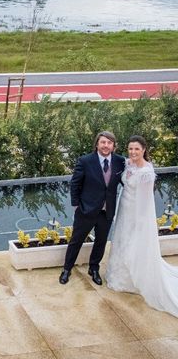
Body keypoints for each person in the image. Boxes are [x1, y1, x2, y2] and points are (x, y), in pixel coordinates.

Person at [105, 135, 178, 317]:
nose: (133, 152)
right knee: (121, 241)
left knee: (132, 244)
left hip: (137, 216)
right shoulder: (128, 164)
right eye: (130, 149)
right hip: (124, 209)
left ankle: (132, 281)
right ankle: (117, 276)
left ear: (144, 149)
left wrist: (139, 223)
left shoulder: (146, 173)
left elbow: (145, 203)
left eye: (137, 149)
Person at [59, 131, 126, 285]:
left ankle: (93, 268)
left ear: (113, 146)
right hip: (86, 210)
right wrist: (76, 205)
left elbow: (127, 181)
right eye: (103, 142)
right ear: (97, 144)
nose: (106, 145)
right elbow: (75, 183)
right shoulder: (85, 161)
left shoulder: (120, 161)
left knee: (101, 242)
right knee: (76, 241)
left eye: (109, 143)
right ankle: (67, 269)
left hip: (106, 211)